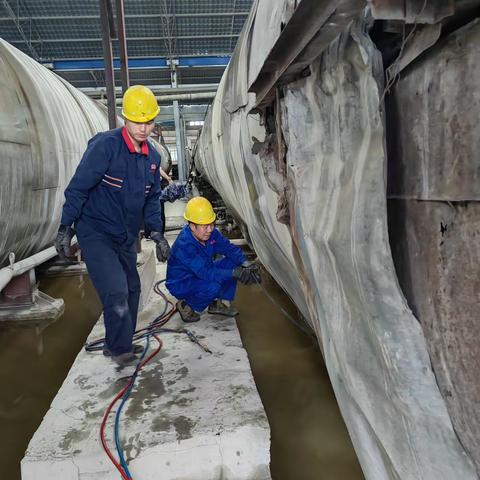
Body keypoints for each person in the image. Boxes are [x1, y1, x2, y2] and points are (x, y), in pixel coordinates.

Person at [54, 85, 171, 367]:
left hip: (125, 234)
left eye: (149, 122)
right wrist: (65, 226)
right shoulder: (105, 147)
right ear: (125, 118)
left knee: (132, 289)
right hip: (95, 232)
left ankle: (117, 342)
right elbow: (78, 188)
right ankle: (120, 350)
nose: (143, 128)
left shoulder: (153, 159)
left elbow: (152, 198)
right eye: (137, 121)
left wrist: (157, 233)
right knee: (116, 290)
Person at [166, 196, 261, 323]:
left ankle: (216, 304)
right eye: (205, 226)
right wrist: (235, 273)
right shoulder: (185, 246)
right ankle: (187, 305)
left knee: (233, 262)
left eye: (211, 224)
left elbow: (228, 248)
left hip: (202, 270)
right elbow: (206, 273)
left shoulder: (210, 233)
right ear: (192, 226)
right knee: (213, 286)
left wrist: (246, 264)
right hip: (183, 282)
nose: (210, 229)